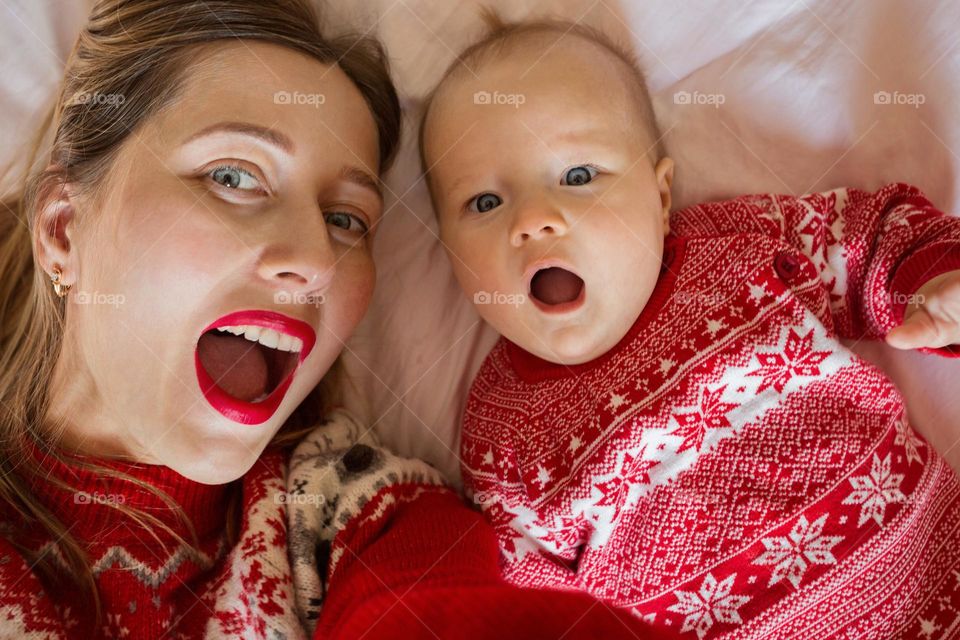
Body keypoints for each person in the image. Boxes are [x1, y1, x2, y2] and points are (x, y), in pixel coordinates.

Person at [0, 2, 676, 638]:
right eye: (234, 177)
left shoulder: (360, 516)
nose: (315, 259)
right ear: (63, 228)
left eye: (345, 218)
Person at [419, 14, 960, 640]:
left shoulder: (738, 253)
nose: (535, 220)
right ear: (450, 252)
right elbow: (543, 605)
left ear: (661, 196)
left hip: (935, 578)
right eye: (484, 203)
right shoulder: (500, 438)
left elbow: (867, 240)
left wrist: (930, 283)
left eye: (577, 176)